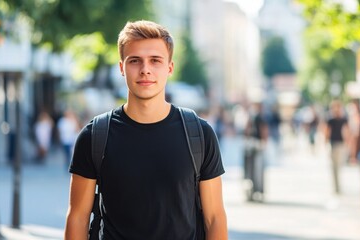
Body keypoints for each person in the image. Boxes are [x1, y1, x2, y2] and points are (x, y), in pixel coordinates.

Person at [65, 20, 228, 239]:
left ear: (170, 67)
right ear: (122, 67)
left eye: (155, 61)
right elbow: (77, 217)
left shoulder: (199, 134)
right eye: (135, 61)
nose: (145, 70)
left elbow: (215, 217)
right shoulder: (94, 137)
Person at [243, 102, 269, 202]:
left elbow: (247, 130)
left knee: (253, 170)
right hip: (256, 145)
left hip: (253, 145)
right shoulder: (257, 117)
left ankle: (256, 191)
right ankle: (256, 191)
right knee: (256, 170)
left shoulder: (254, 117)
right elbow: (264, 130)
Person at [324, 100, 350, 194]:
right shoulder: (331, 120)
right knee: (335, 167)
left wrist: (348, 144)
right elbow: (327, 132)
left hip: (340, 145)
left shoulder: (343, 119)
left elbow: (347, 132)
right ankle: (336, 187)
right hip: (333, 144)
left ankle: (338, 187)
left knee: (338, 167)